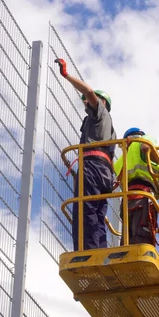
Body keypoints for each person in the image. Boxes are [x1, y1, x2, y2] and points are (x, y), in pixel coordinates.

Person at [55, 58, 116, 250]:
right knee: (98, 214)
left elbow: (88, 92)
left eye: (89, 102)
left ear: (102, 102)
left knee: (85, 209)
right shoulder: (110, 129)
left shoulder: (100, 113)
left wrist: (66, 75)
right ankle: (99, 249)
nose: (86, 104)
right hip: (105, 173)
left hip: (92, 166)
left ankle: (87, 252)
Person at [114, 127, 159, 246]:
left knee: (126, 244)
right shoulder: (144, 141)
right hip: (143, 198)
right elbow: (146, 147)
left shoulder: (119, 162)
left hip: (126, 203)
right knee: (142, 242)